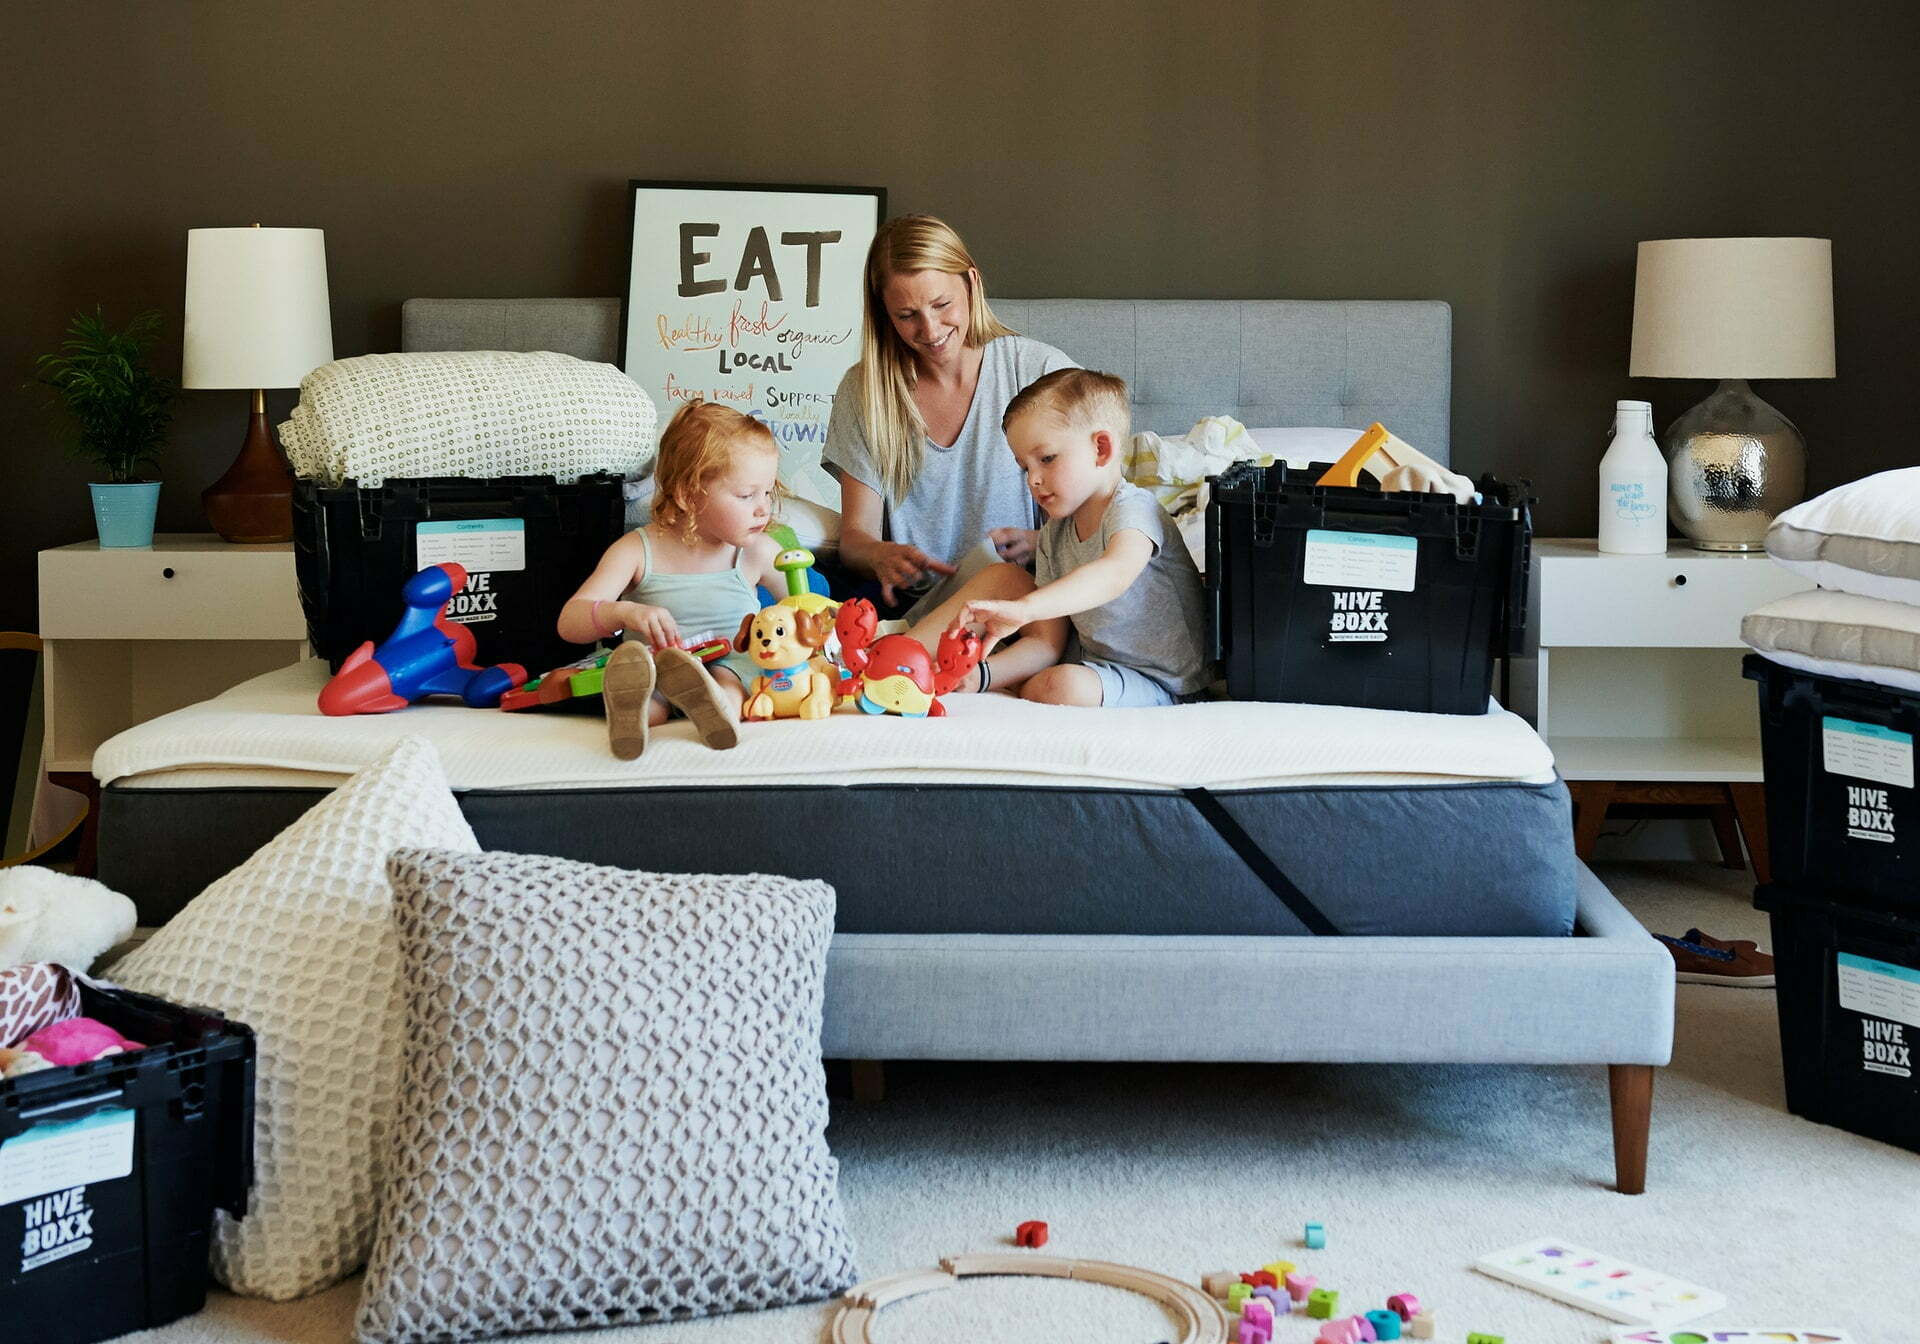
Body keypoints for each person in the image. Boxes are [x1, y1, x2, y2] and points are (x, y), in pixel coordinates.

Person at [822, 213, 1077, 693]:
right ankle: (896, 663)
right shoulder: (865, 391)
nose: (931, 329)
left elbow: (1095, 513)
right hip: (911, 604)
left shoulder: (1038, 371)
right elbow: (855, 538)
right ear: (883, 313)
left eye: (942, 305)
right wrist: (881, 554)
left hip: (1018, 606)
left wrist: (1040, 540)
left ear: (972, 283)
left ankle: (896, 670)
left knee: (1015, 586)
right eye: (906, 316)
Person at [955, 368, 1213, 708]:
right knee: (1049, 671)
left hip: (1168, 684)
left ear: (1101, 449)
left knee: (1060, 686)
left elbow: (1113, 575)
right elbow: (1048, 642)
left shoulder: (1133, 509)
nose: (1033, 479)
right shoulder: (1053, 534)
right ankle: (916, 662)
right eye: (1025, 467)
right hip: (1096, 668)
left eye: (1046, 459)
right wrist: (981, 675)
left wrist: (1025, 608)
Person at [558, 400, 790, 759]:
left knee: (730, 675)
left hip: (730, 662)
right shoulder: (636, 550)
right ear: (687, 494)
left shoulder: (757, 551)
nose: (763, 507)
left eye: (768, 492)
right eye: (747, 495)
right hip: (658, 666)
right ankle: (633, 717)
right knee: (650, 688)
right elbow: (570, 622)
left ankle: (717, 711)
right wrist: (624, 613)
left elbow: (805, 608)